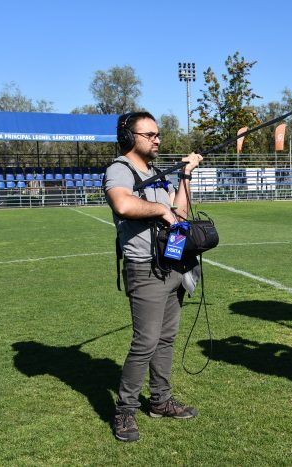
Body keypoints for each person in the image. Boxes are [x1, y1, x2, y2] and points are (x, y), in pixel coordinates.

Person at [104, 111, 203, 442]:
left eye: (158, 134)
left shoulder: (160, 172)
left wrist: (186, 176)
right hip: (145, 268)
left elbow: (181, 214)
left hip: (172, 262)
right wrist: (161, 210)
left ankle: (160, 401)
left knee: (166, 339)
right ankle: (125, 411)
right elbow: (122, 205)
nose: (158, 139)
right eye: (150, 134)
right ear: (131, 137)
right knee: (145, 342)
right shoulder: (120, 169)